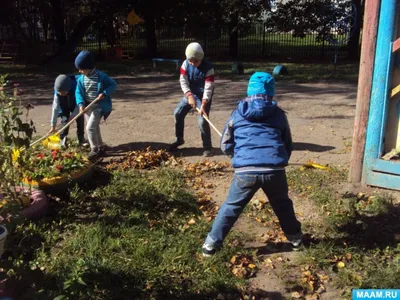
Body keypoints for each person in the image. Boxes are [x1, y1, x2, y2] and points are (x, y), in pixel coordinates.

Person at [202, 72, 302, 257]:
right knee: (282, 205)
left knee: (232, 206)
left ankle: (211, 245)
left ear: (249, 90)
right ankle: (295, 239)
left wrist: (237, 156)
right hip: (274, 170)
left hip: (245, 172)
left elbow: (225, 144)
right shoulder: (279, 114)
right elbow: (287, 142)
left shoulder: (237, 113)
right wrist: (281, 160)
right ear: (271, 92)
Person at [169, 42, 215, 157]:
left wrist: (203, 104)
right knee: (178, 113)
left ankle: (207, 147)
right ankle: (179, 139)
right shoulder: (185, 64)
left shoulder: (209, 68)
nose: (193, 64)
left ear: (201, 58)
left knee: (202, 121)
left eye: (196, 61)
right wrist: (189, 96)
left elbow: (208, 88)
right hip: (190, 94)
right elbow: (183, 81)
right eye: (191, 61)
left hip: (203, 96)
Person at [74, 50, 117, 160]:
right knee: (94, 127)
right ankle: (100, 147)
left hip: (98, 106)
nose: (79, 71)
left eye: (81, 68)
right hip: (88, 107)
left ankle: (95, 150)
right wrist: (80, 104)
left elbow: (113, 84)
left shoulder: (101, 76)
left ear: (88, 66)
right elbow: (78, 92)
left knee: (89, 128)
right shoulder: (81, 79)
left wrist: (105, 93)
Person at [49, 74, 86, 148]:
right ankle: (63, 139)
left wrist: (72, 117)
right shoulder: (58, 91)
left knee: (80, 119)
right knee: (64, 120)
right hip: (64, 105)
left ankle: (81, 138)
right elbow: (55, 107)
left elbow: (78, 106)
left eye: (63, 92)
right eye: (59, 92)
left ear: (68, 89)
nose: (60, 94)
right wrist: (53, 125)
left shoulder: (77, 87)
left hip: (76, 104)